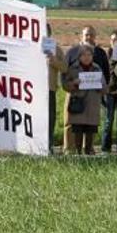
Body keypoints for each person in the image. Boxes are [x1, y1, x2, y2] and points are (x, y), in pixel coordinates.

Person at [64, 26, 110, 152]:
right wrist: (73, 83)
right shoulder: (72, 53)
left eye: (89, 54)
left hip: (93, 102)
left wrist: (100, 86)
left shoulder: (99, 60)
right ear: (82, 36)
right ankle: (70, 149)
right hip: (76, 99)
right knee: (73, 127)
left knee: (90, 130)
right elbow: (64, 78)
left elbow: (105, 81)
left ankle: (89, 151)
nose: (86, 57)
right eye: (86, 35)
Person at [101, 29, 117, 153]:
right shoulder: (107, 54)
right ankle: (106, 147)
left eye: (116, 40)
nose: (113, 42)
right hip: (110, 91)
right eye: (112, 40)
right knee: (108, 121)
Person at [45, 23, 68, 154]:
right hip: (31, 91)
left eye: (45, 31)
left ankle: (48, 145)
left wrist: (54, 61)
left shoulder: (56, 49)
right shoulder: (30, 47)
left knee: (50, 119)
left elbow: (64, 68)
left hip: (50, 89)